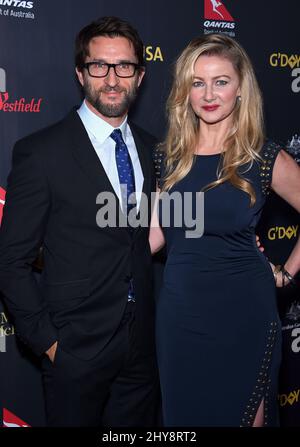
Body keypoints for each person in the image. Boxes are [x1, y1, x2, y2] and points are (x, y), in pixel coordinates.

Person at [0, 16, 160, 427]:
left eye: (124, 66)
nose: (111, 78)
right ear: (80, 72)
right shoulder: (41, 153)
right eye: (98, 66)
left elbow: (146, 236)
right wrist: (49, 343)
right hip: (75, 347)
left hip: (142, 345)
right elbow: (11, 261)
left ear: (139, 76)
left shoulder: (152, 150)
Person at [150, 33, 300, 427]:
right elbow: (153, 235)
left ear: (240, 89)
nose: (209, 93)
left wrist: (286, 273)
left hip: (244, 314)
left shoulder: (264, 157)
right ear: (185, 91)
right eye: (197, 82)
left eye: (221, 81)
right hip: (180, 316)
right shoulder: (168, 157)